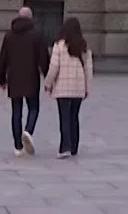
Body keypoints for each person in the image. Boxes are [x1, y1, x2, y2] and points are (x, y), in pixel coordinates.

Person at [0, 6, 47, 157]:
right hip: (31, 78)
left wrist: (1, 79)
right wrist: (48, 76)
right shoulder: (37, 36)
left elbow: (3, 59)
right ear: (31, 18)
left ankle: (18, 146)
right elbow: (43, 58)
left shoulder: (9, 36)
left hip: (14, 78)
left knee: (16, 112)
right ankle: (28, 130)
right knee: (33, 108)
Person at [42, 17, 91, 159]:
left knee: (64, 117)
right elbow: (88, 69)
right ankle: (74, 147)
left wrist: (48, 83)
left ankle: (65, 147)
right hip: (78, 88)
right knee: (74, 117)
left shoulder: (59, 46)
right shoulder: (84, 47)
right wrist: (87, 87)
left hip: (63, 87)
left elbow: (54, 67)